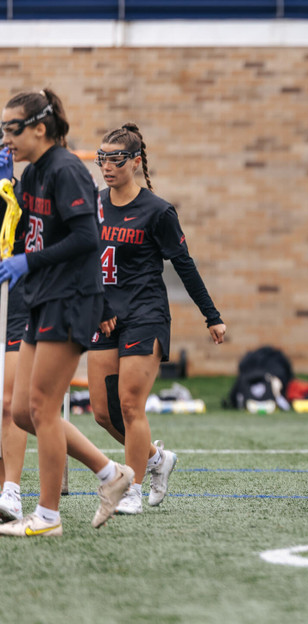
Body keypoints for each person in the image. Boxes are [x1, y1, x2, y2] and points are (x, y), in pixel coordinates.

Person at [0, 89, 133, 537]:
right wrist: (7, 190)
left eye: (11, 128)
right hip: (43, 297)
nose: (5, 138)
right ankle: (110, 473)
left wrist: (28, 262)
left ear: (40, 128)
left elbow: (86, 238)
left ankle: (48, 517)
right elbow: (25, 231)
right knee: (22, 411)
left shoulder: (66, 169)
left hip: (70, 298)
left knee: (41, 407)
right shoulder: (33, 173)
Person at [87, 123, 227, 515]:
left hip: (145, 315)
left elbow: (184, 265)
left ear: (136, 161)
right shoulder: (93, 205)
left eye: (116, 159)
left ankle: (130, 489)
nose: (107, 166)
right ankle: (156, 459)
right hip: (104, 317)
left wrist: (211, 316)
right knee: (103, 413)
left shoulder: (158, 211)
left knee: (130, 405)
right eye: (102, 159)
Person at [0, 147, 28, 523]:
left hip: (17, 302)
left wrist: (8, 187)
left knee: (9, 402)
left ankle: (13, 490)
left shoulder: (22, 193)